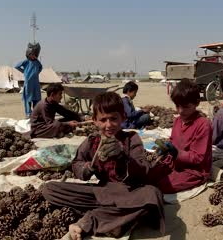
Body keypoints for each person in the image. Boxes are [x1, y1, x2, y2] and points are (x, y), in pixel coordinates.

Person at [41, 92, 171, 239]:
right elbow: (77, 165)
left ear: (123, 117)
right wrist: (89, 167)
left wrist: (123, 156)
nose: (108, 125)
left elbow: (143, 170)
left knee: (152, 194)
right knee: (49, 189)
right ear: (94, 121)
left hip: (128, 192)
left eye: (114, 119)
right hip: (101, 192)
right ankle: (116, 220)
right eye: (103, 120)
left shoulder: (131, 139)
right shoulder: (91, 142)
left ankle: (91, 220)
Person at [153, 79, 213, 194]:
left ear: (196, 103)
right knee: (148, 175)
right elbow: (173, 141)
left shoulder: (203, 125)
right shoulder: (177, 121)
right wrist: (166, 149)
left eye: (185, 107)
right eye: (177, 106)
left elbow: (198, 158)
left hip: (194, 170)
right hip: (175, 163)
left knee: (162, 186)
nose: (180, 111)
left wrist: (176, 153)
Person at [15, 43, 43, 118]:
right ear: (28, 54)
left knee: (36, 98)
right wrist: (24, 71)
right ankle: (28, 113)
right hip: (28, 84)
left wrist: (37, 72)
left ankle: (36, 112)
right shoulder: (26, 62)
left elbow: (40, 67)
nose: (33, 56)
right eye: (32, 54)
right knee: (28, 99)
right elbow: (17, 66)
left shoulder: (37, 62)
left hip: (36, 84)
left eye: (35, 54)